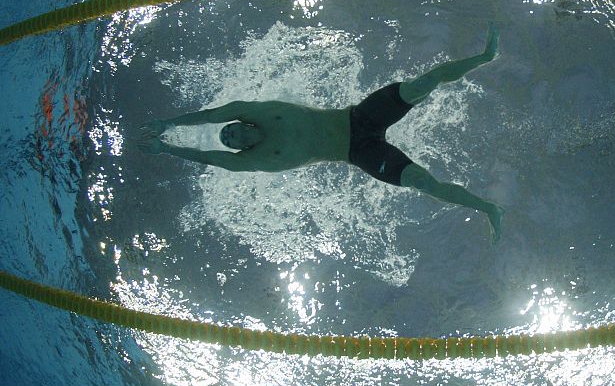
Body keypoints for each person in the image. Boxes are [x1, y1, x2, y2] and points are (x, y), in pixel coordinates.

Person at [139, 28, 505, 241]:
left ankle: (485, 56)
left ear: (241, 123)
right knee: (421, 182)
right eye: (232, 143)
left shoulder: (258, 111)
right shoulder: (253, 160)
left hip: (360, 117)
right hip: (359, 154)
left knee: (421, 84)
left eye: (231, 132)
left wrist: (167, 124)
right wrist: (168, 149)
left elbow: (208, 116)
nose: (235, 139)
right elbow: (207, 157)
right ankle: (488, 208)